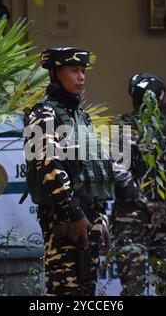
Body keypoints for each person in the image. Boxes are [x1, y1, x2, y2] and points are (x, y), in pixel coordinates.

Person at [22, 47, 115, 296]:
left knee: (86, 292)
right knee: (64, 291)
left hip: (89, 223)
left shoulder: (82, 117)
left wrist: (100, 219)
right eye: (74, 71)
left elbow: (94, 172)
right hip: (62, 222)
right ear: (54, 74)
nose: (81, 77)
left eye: (83, 71)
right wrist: (74, 214)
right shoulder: (42, 115)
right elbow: (48, 166)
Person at [111, 73, 166, 295]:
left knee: (134, 287)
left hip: (132, 220)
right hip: (163, 219)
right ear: (161, 98)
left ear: (133, 97)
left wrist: (151, 206)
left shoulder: (122, 130)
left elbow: (119, 174)